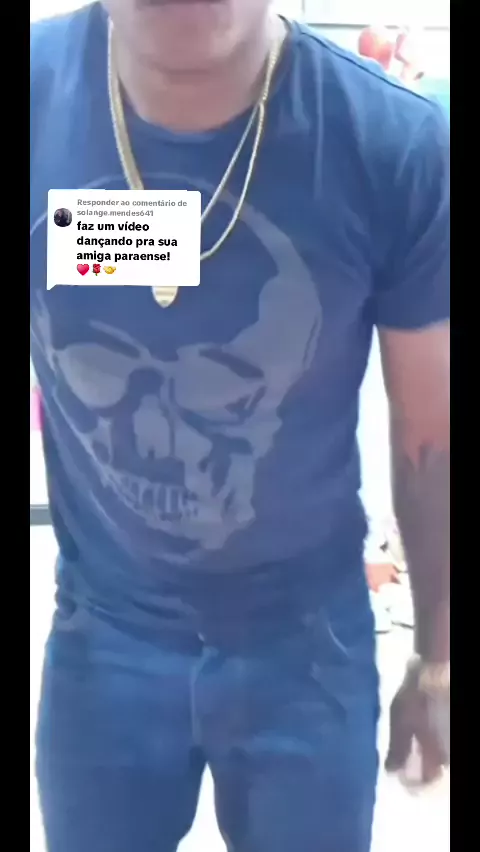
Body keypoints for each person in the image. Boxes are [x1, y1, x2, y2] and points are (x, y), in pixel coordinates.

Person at [30, 3, 450, 851]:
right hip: (104, 629)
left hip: (306, 641)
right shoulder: (42, 98)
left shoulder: (390, 144)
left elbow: (432, 437)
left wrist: (440, 658)